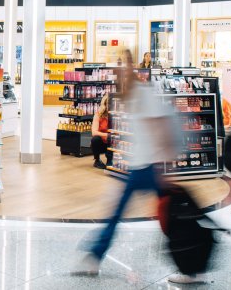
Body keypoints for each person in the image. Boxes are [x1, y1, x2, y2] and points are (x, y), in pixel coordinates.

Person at [76, 50, 180, 279]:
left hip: (151, 167)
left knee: (172, 216)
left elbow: (161, 126)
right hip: (138, 167)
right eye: (118, 69)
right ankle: (95, 257)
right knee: (118, 213)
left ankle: (191, 260)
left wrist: (166, 166)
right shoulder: (130, 95)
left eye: (123, 68)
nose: (120, 73)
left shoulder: (143, 93)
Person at [90, 93, 112, 170]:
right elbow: (94, 132)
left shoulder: (115, 114)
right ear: (104, 104)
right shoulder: (98, 115)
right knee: (95, 139)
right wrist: (107, 135)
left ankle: (109, 160)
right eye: (109, 104)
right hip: (102, 143)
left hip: (112, 142)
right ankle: (97, 160)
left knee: (112, 138)